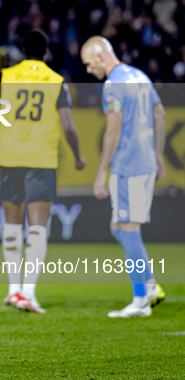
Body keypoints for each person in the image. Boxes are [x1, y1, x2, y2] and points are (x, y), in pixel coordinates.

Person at [0, 31, 85, 313]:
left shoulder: (6, 76)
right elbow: (68, 125)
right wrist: (77, 155)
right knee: (36, 226)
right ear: (46, 52)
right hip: (42, 159)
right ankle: (29, 292)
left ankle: (14, 290)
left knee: (12, 225)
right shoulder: (57, 81)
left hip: (10, 157)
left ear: (23, 52)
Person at [81, 36, 166, 318]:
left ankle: (141, 300)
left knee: (127, 228)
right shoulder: (139, 76)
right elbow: (160, 113)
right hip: (146, 163)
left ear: (101, 56)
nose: (88, 70)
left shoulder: (112, 84)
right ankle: (150, 285)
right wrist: (159, 154)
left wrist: (101, 171)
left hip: (128, 166)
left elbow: (113, 130)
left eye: (89, 63)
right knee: (119, 227)